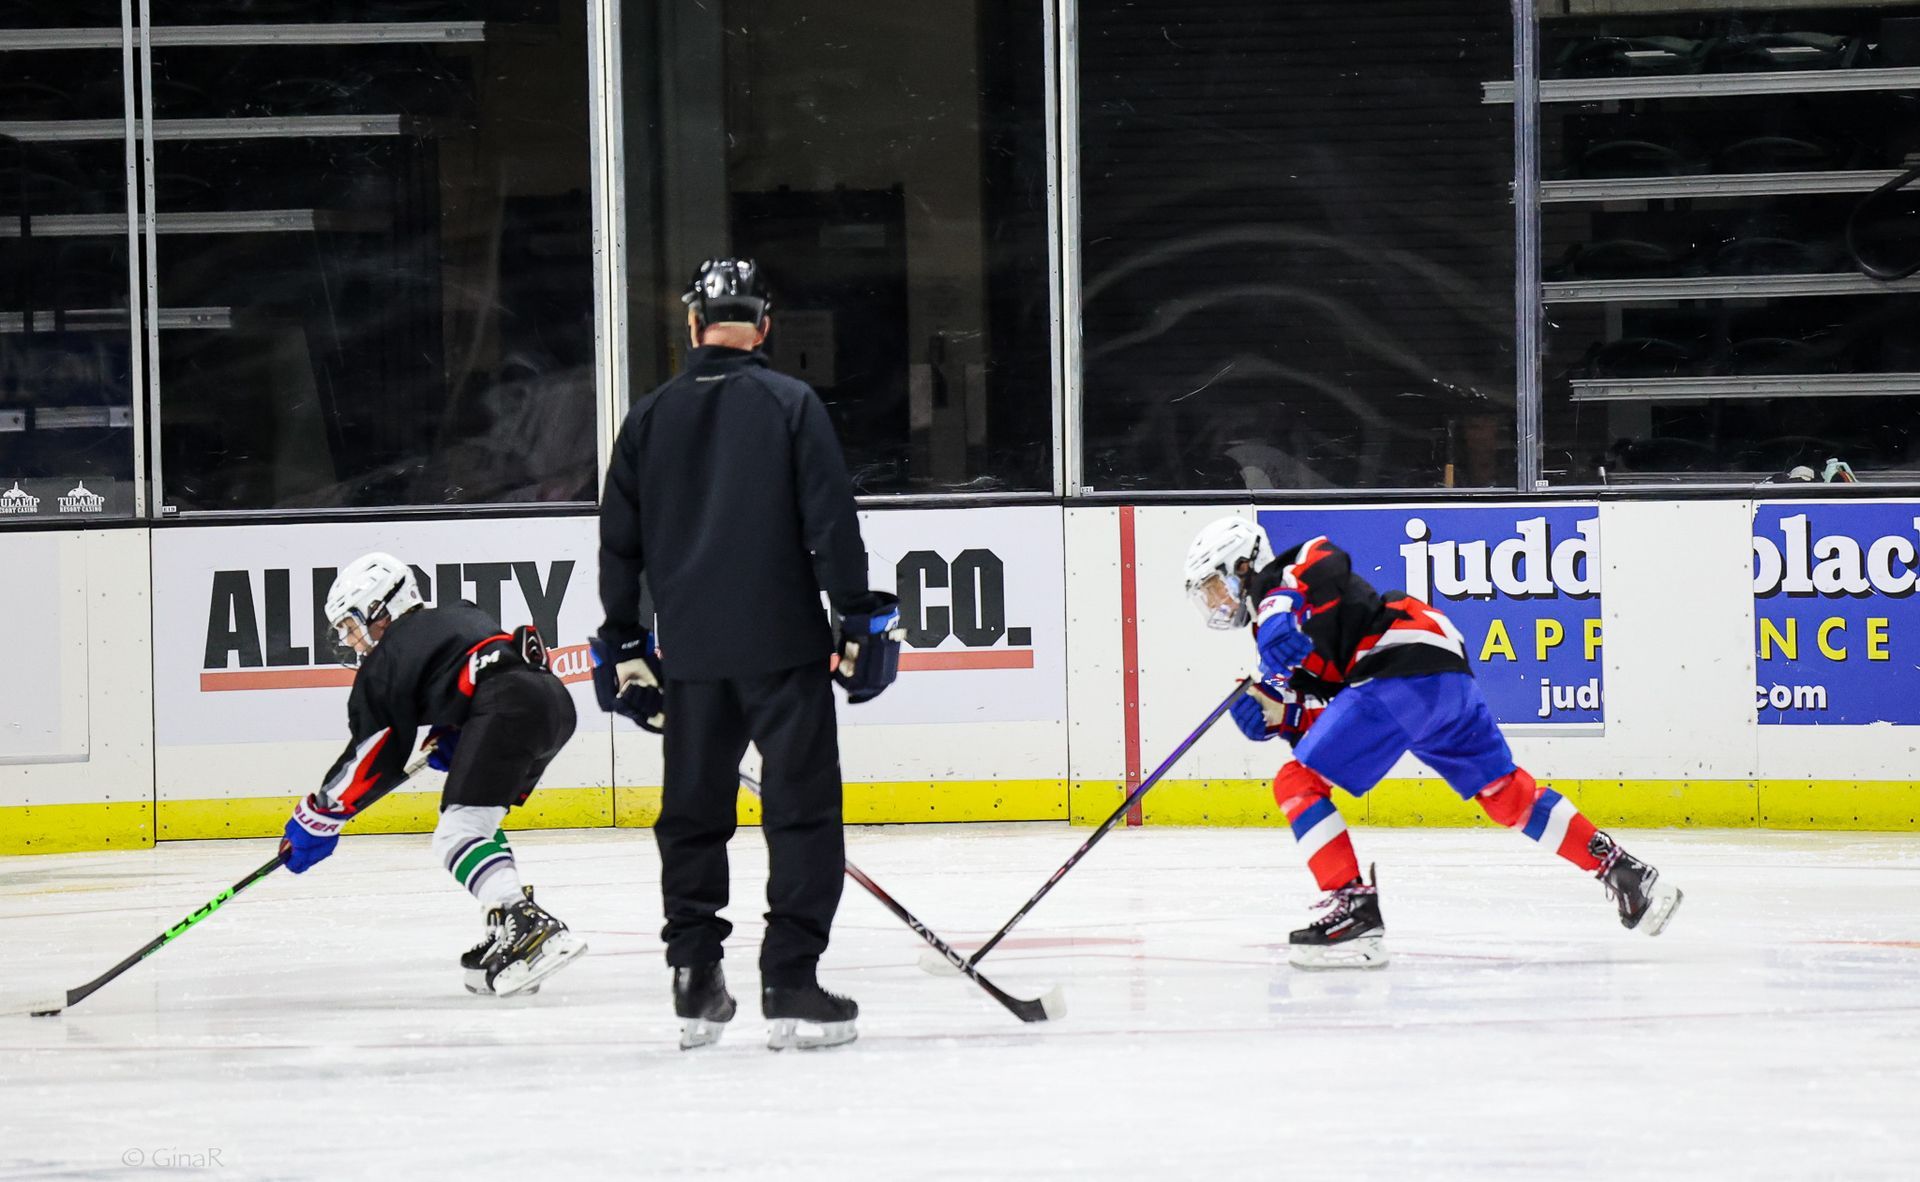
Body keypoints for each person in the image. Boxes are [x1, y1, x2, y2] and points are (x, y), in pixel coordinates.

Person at [595, 257, 903, 1051]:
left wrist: (625, 641)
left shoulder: (649, 418)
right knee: (802, 816)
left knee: (692, 818)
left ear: (693, 325)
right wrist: (856, 618)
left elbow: (619, 545)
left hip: (692, 660)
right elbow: (832, 524)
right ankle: (790, 982)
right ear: (764, 325)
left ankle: (695, 980)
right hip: (784, 652)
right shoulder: (790, 403)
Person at [1183, 517, 1683, 970]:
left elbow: (1327, 564)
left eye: (1214, 586)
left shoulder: (1292, 569)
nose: (1216, 602)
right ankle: (1623, 871)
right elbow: (1339, 710)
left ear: (1242, 565)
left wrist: (1278, 609)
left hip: (1400, 660)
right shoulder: (1274, 640)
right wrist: (1283, 716)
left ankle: (1354, 908)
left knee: (1296, 783)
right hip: (1436, 675)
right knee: (1504, 792)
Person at [280, 552, 587, 997]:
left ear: (381, 609)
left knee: (456, 834)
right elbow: (480, 666)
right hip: (552, 703)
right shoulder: (456, 614)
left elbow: (374, 750)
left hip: (506, 706)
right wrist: (457, 728)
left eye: (351, 625)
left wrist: (320, 815)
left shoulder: (388, 657)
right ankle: (506, 926)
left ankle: (525, 923)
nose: (351, 641)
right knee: (477, 823)